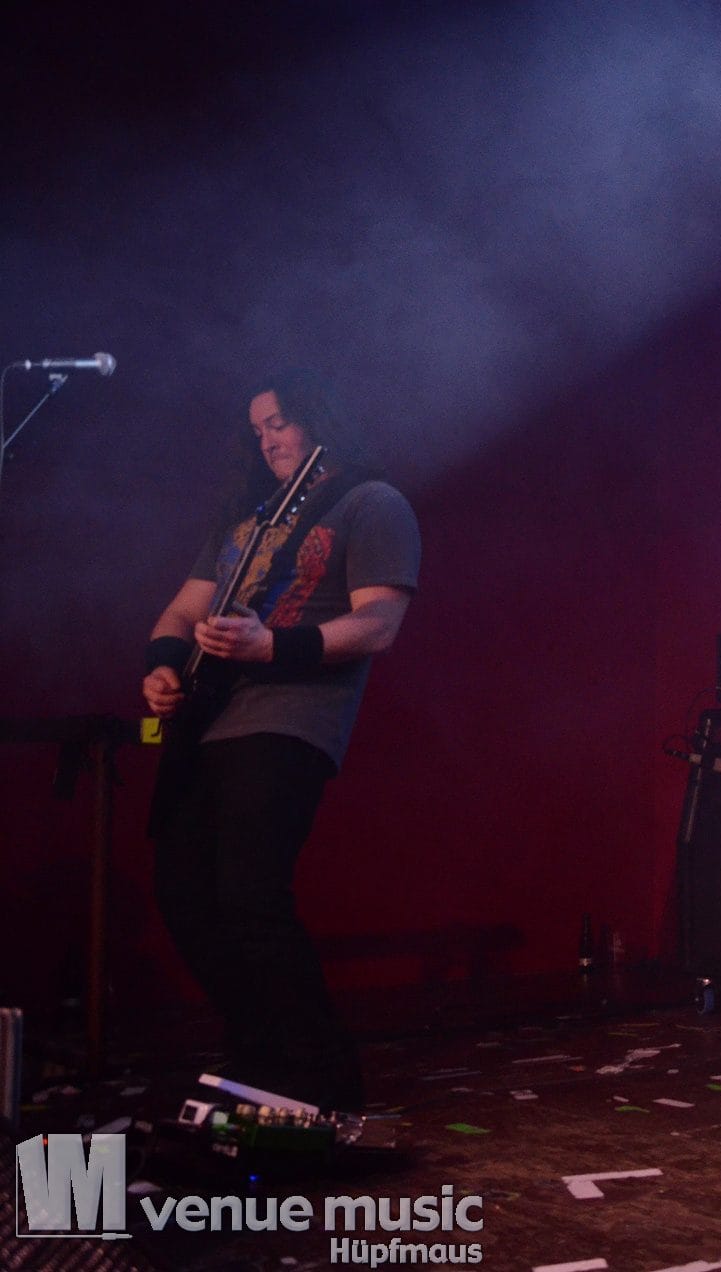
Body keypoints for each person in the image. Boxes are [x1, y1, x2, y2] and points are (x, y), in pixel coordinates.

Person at [141, 369, 419, 1111]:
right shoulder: (247, 521)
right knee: (183, 893)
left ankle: (322, 1076)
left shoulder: (372, 503)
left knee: (250, 891)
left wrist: (272, 646)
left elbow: (379, 624)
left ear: (318, 420)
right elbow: (180, 611)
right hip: (208, 721)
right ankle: (262, 1054)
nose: (267, 440)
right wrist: (163, 667)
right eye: (257, 429)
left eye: (280, 422)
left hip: (290, 716)